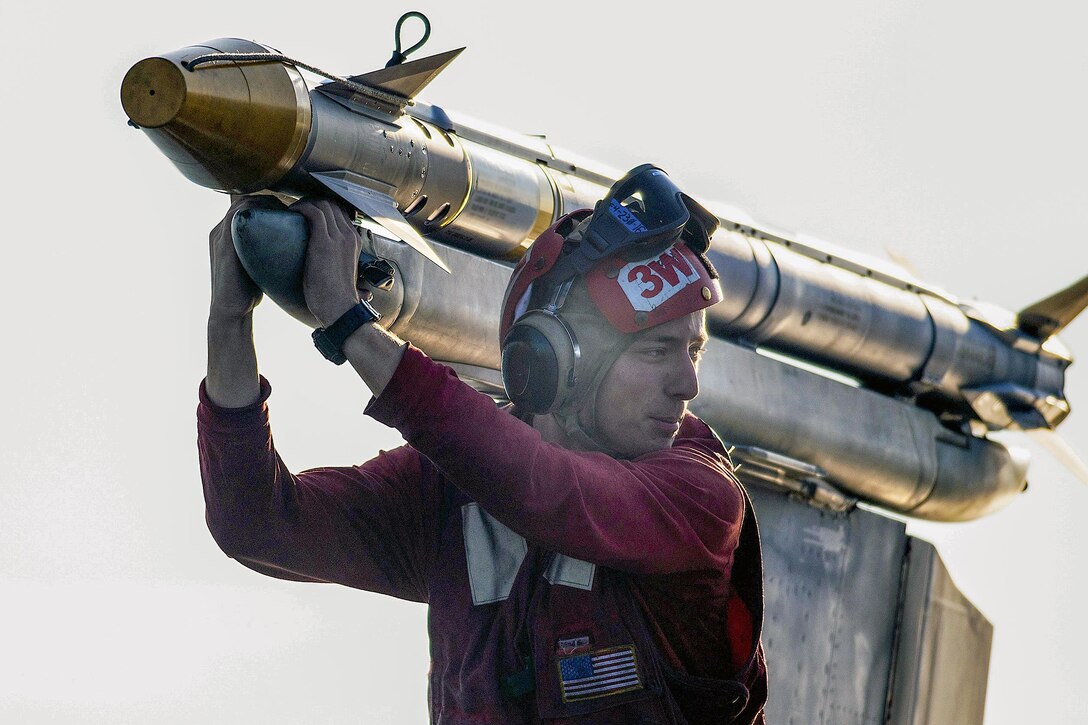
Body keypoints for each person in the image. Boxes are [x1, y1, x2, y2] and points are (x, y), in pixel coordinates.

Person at [198, 165, 768, 723]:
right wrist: (229, 318)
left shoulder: (699, 497)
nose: (687, 384)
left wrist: (352, 326)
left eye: (691, 351)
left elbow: (548, 491)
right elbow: (258, 524)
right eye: (654, 351)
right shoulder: (450, 489)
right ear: (562, 356)